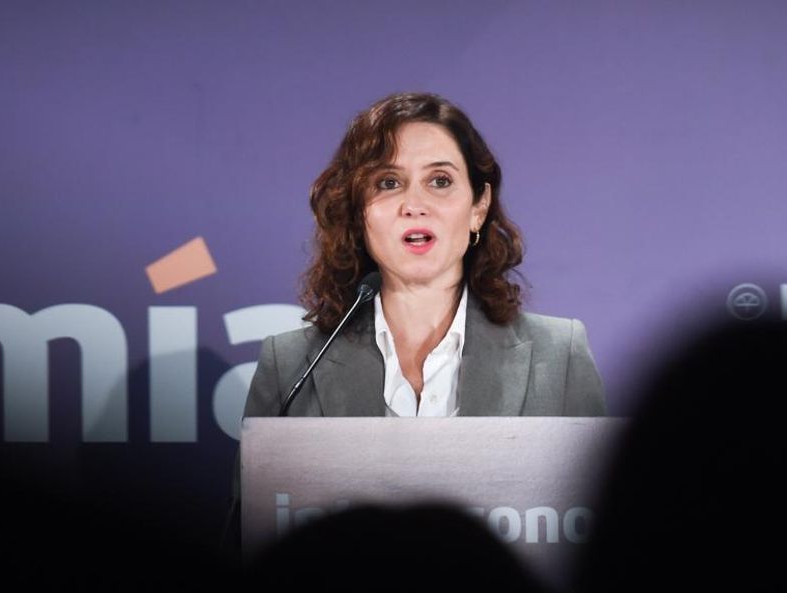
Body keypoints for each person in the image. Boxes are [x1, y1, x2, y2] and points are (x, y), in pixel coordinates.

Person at [243, 92, 606, 418]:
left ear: (479, 207)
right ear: (356, 212)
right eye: (388, 182)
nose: (414, 204)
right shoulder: (290, 366)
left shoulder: (559, 357)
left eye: (440, 181)